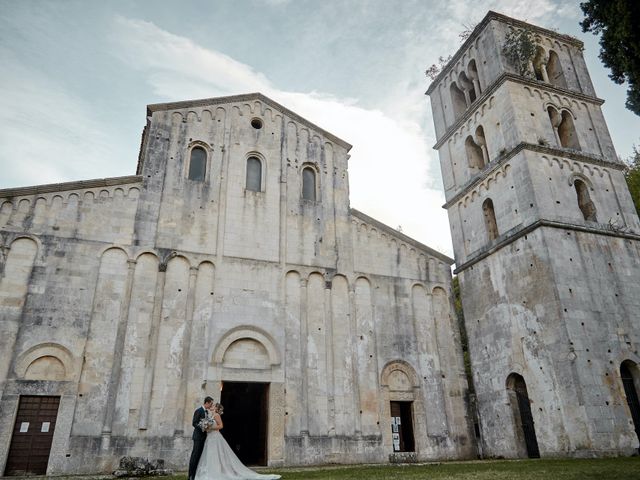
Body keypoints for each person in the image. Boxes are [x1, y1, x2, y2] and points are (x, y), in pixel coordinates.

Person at [194, 402, 280, 480]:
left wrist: (210, 428)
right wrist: (206, 427)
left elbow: (221, 426)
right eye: (211, 405)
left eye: (213, 406)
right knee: (210, 454)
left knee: (217, 454)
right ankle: (210, 471)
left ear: (216, 409)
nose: (211, 407)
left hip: (215, 438)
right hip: (210, 438)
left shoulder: (216, 415)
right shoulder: (210, 416)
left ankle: (216, 473)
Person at [189, 396, 214, 480]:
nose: (211, 405)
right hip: (198, 437)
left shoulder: (206, 412)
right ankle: (191, 476)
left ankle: (196, 474)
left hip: (204, 437)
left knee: (199, 456)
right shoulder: (198, 411)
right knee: (195, 456)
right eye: (211, 403)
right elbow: (194, 423)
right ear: (207, 403)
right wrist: (202, 427)